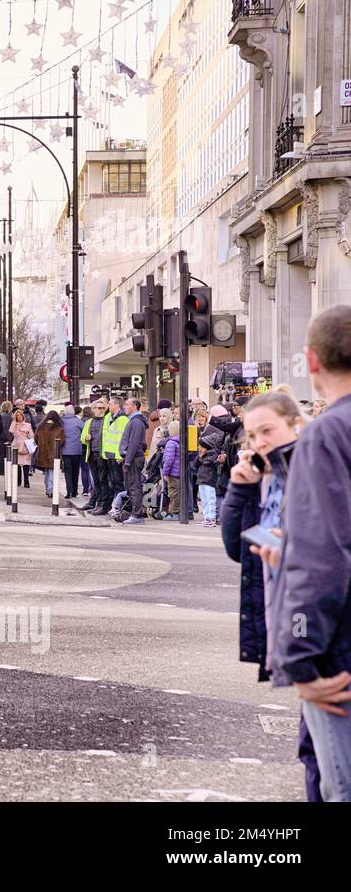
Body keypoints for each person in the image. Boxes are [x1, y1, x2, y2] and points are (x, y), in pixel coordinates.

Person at [259, 306, 351, 801]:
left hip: (340, 655)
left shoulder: (327, 434)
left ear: (311, 361)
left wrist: (298, 655)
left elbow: (321, 559)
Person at [220, 390, 315, 799]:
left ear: (297, 426)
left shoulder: (315, 470)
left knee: (324, 754)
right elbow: (237, 549)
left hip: (317, 620)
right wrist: (239, 489)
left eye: (268, 431)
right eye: (252, 435)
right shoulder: (264, 480)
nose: (259, 443)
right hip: (288, 615)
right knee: (313, 750)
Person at [91, 396, 128, 517]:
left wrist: (119, 455)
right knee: (110, 482)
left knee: (118, 483)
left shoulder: (122, 419)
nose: (108, 406)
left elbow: (121, 439)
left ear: (117, 405)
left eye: (110, 404)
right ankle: (111, 506)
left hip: (116, 456)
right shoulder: (109, 417)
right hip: (108, 454)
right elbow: (106, 437)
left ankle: (119, 508)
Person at [118, 397, 149, 524]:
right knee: (131, 486)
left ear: (135, 406)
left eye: (127, 404)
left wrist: (128, 461)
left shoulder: (136, 422)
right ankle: (135, 514)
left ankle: (137, 515)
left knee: (134, 486)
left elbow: (134, 443)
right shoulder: (134, 421)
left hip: (134, 459)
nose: (124, 407)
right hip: (132, 458)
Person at [195, 409, 225, 527]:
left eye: (201, 447)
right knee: (204, 500)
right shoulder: (202, 455)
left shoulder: (212, 454)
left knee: (210, 499)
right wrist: (200, 457)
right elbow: (195, 465)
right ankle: (206, 517)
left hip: (209, 480)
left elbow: (212, 462)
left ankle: (211, 518)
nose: (199, 448)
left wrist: (203, 457)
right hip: (202, 479)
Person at [80, 399, 108, 512]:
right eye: (99, 408)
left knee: (102, 480)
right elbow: (82, 437)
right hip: (91, 453)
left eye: (103, 408)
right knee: (95, 480)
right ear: (94, 409)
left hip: (102, 455)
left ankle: (100, 503)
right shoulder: (88, 422)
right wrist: (85, 438)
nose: (101, 410)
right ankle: (94, 502)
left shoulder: (107, 421)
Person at [33, 410, 64, 498]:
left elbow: (36, 439)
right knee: (52, 472)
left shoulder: (41, 427)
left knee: (46, 472)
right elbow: (61, 441)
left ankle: (48, 489)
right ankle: (51, 490)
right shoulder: (59, 428)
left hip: (43, 453)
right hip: (54, 453)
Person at [60, 404, 84, 500]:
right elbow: (84, 431)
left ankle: (69, 491)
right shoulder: (78, 421)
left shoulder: (62, 422)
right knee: (76, 470)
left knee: (68, 471)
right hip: (77, 450)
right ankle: (75, 491)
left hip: (65, 450)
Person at [160, 417, 182, 520]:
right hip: (180, 472)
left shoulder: (171, 443)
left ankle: (174, 513)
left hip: (172, 473)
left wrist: (165, 472)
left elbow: (168, 460)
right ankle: (180, 511)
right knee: (179, 492)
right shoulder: (182, 441)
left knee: (173, 492)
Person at [8, 407, 34, 489]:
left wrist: (31, 444)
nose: (19, 417)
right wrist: (14, 421)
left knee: (26, 465)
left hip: (25, 446)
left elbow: (31, 436)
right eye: (17, 415)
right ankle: (18, 481)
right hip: (16, 445)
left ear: (23, 416)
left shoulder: (28, 425)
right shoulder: (14, 425)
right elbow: (11, 431)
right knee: (17, 465)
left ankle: (26, 482)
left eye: (20, 415)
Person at [78, 405, 95, 497]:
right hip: (91, 448)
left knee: (84, 470)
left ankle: (85, 489)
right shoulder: (93, 421)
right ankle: (92, 488)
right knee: (92, 469)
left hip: (82, 448)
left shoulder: (80, 422)